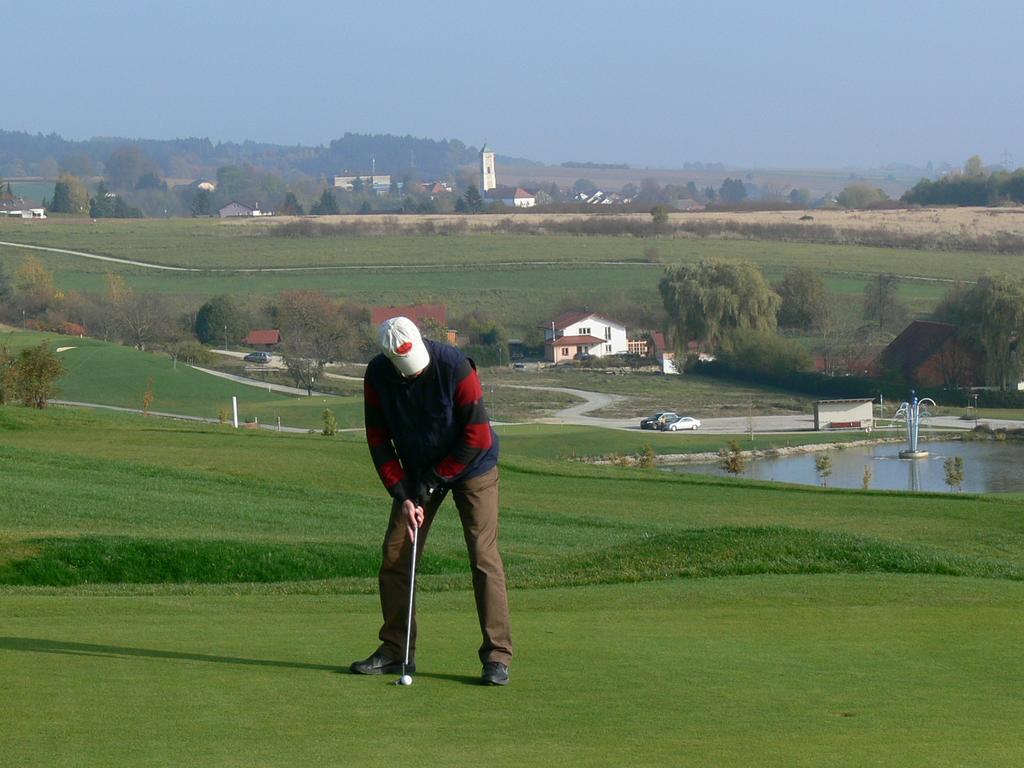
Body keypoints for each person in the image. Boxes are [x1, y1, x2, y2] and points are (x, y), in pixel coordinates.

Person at [350, 316, 513, 685]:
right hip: (418, 471)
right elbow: (378, 440)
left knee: (483, 557)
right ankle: (395, 651)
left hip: (474, 468)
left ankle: (497, 657)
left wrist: (431, 483)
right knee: (395, 554)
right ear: (389, 358)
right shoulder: (377, 376)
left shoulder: (455, 367)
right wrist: (403, 493)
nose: (412, 372)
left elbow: (477, 437)